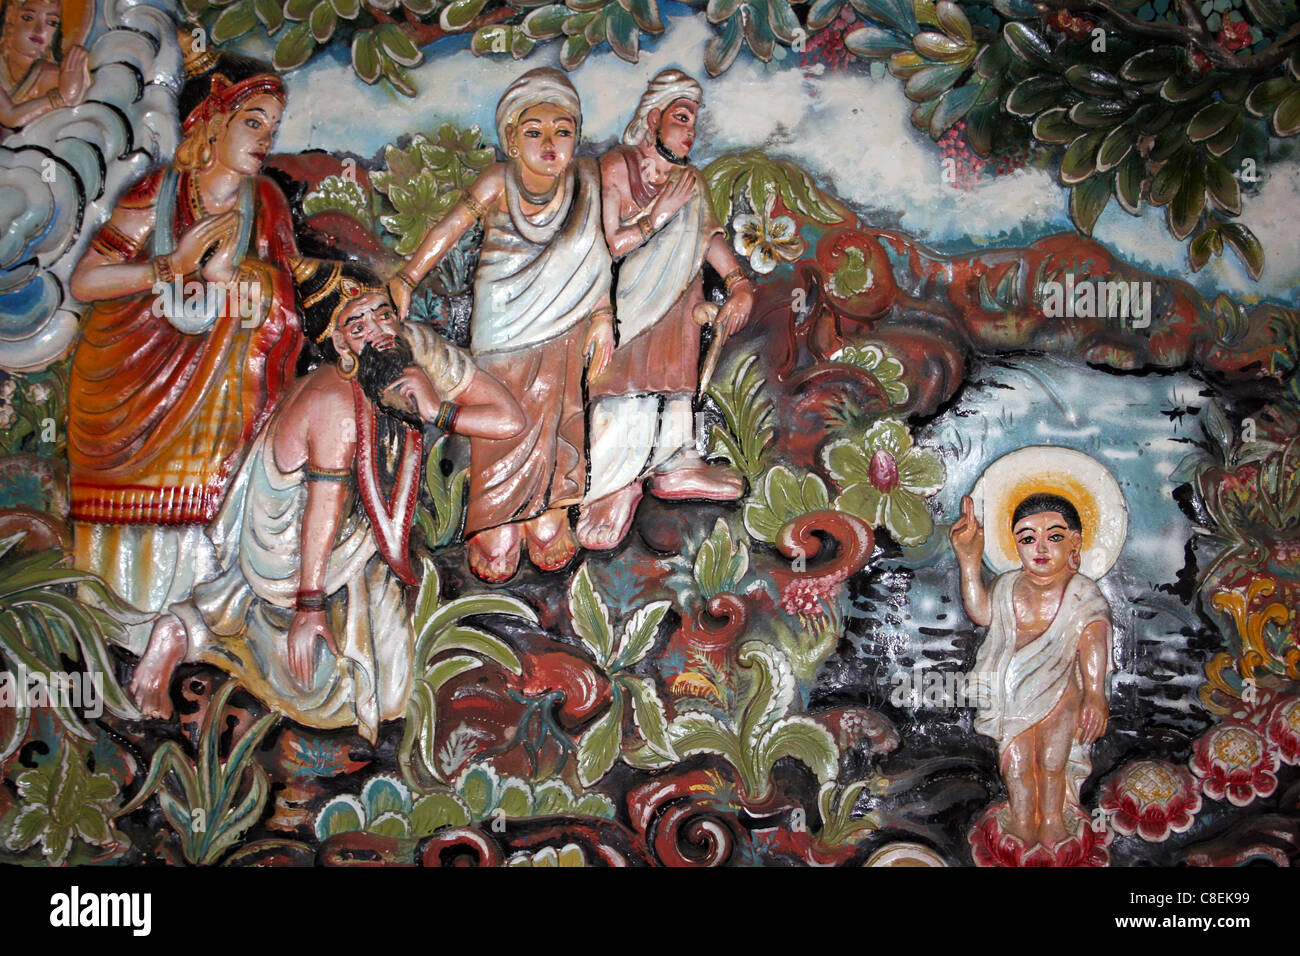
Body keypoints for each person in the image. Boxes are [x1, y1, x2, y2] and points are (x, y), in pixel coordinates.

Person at [128, 260, 524, 741]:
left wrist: (439, 409)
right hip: (293, 552)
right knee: (328, 698)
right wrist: (310, 608)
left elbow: (509, 419)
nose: (378, 331)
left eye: (383, 314)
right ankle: (189, 630)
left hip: (359, 533)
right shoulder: (334, 401)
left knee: (396, 691)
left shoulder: (410, 349)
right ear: (339, 345)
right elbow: (323, 506)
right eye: (358, 326)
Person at [66, 53, 302, 653]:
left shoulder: (265, 204)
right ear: (211, 121)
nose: (266, 138)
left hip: (223, 391)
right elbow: (87, 282)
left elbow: (288, 300)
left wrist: (234, 277)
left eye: (272, 126)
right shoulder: (161, 193)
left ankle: (197, 633)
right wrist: (168, 267)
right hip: (132, 377)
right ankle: (128, 638)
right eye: (254, 121)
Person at [389, 68, 613, 582]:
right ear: (511, 138)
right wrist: (407, 276)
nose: (550, 144)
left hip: (568, 323)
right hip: (506, 323)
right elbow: (450, 227)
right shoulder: (498, 181)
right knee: (505, 417)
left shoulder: (586, 183)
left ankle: (551, 509)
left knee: (561, 412)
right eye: (534, 132)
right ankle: (496, 520)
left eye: (563, 130)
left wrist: (602, 317)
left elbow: (593, 257)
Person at [576, 69, 755, 551]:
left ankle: (675, 463)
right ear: (653, 118)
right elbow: (610, 244)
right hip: (628, 305)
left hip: (679, 304)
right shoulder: (616, 166)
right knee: (624, 385)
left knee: (678, 380)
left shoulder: (691, 181)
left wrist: (738, 284)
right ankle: (614, 483)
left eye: (693, 121)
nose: (689, 131)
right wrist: (657, 215)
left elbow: (708, 239)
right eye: (681, 118)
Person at [950, 491, 1112, 850]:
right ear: (1016, 545)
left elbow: (1094, 640)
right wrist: (968, 560)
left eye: (1054, 536)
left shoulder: (1081, 592)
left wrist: (1096, 694)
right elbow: (981, 612)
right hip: (1012, 693)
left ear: (1075, 541)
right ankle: (1022, 818)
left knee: (1052, 761)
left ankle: (1053, 819)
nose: (1040, 547)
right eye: (1027, 538)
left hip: (1061, 694)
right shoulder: (1008, 585)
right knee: (1017, 764)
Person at [0, 0, 89, 138]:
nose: (39, 30)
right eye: (28, 18)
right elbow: (9, 117)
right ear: (10, 16)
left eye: (51, 23)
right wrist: (61, 97)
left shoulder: (50, 74)